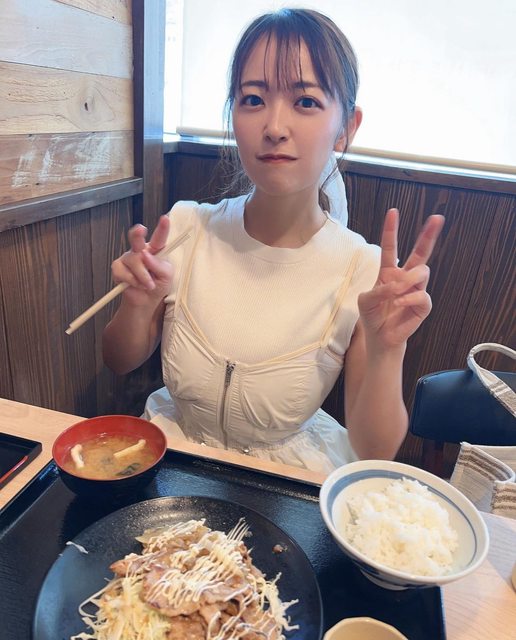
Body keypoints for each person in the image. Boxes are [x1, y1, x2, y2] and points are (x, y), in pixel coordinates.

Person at [102, 8, 444, 473]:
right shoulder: (185, 229)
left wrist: (387, 351)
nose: (275, 127)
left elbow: (373, 449)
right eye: (253, 99)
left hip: (281, 482)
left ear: (347, 127)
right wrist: (137, 305)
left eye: (305, 101)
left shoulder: (361, 269)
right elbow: (118, 360)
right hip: (172, 462)